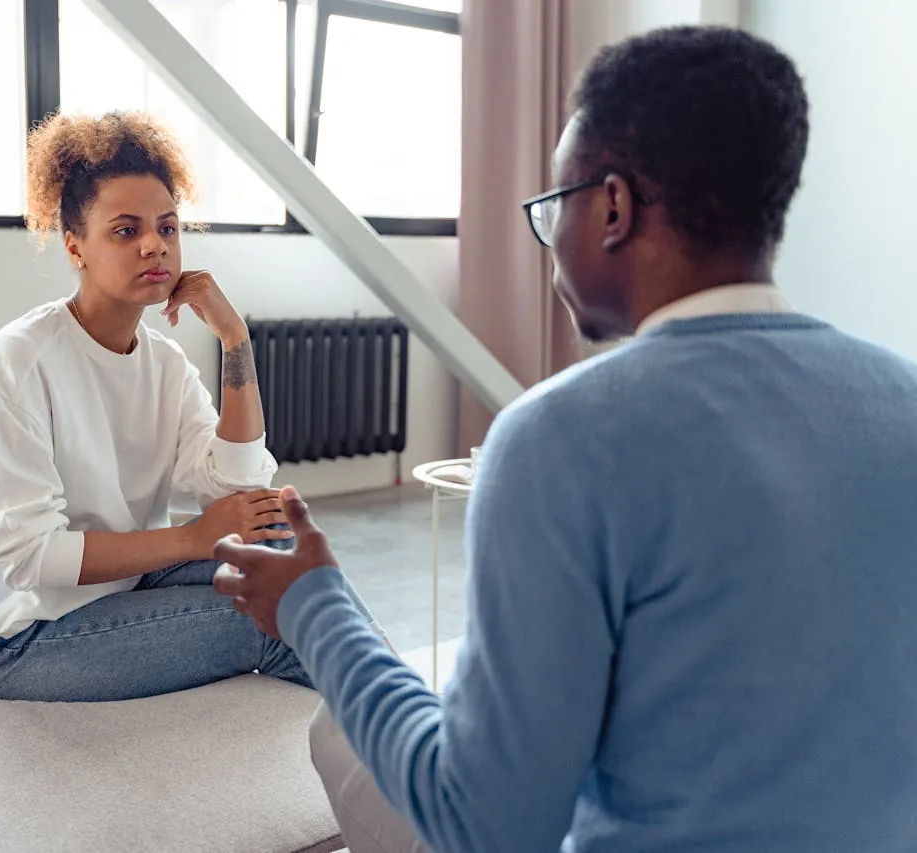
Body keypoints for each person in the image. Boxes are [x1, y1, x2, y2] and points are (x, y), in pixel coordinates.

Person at [213, 25, 917, 853]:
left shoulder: (561, 437)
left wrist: (314, 605)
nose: (548, 244)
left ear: (612, 207)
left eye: (553, 208)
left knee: (341, 732)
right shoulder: (900, 397)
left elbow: (487, 826)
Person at [0, 110, 315, 701]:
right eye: (126, 231)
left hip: (119, 591)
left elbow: (237, 481)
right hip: (13, 638)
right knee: (275, 619)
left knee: (291, 554)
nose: (155, 244)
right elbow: (34, 559)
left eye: (169, 227)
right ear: (76, 248)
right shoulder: (21, 362)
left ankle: (434, 739)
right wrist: (191, 538)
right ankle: (418, 759)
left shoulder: (163, 362)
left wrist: (236, 339)